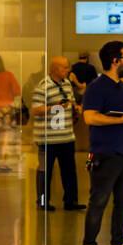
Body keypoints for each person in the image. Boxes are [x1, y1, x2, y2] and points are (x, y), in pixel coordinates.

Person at [75, 41, 123, 245]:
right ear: (115, 61)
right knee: (98, 201)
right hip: (105, 154)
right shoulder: (97, 87)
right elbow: (89, 117)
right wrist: (120, 119)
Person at [32, 55, 86, 211]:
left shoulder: (67, 84)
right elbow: (36, 109)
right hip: (48, 138)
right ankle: (43, 201)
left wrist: (75, 107)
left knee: (69, 170)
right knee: (45, 171)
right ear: (55, 69)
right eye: (65, 67)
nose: (68, 70)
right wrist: (53, 107)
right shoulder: (43, 86)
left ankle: (71, 201)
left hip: (66, 136)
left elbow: (71, 101)